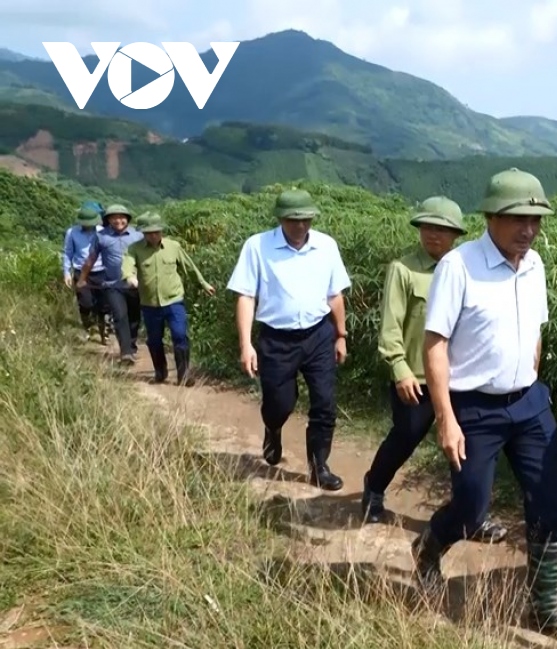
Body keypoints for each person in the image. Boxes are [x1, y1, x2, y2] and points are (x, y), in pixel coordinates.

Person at [410, 168, 557, 644]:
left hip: (529, 403)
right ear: (490, 216)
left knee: (549, 504)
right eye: (517, 219)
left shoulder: (535, 265)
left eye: (535, 220)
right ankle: (428, 548)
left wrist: (530, 378)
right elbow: (434, 345)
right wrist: (446, 418)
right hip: (474, 407)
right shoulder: (459, 266)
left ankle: (544, 609)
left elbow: (535, 334)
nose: (528, 230)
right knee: (471, 509)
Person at [361, 196, 509, 542]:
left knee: (468, 452)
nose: (433, 235)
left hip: (463, 382)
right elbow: (390, 326)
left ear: (456, 234)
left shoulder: (470, 272)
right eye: (427, 227)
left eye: (442, 229)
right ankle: (374, 486)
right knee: (405, 438)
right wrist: (399, 367)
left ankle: (471, 517)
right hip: (417, 379)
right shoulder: (404, 270)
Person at [226, 189, 352, 491]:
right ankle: (273, 427)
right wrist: (246, 344)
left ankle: (318, 466)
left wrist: (341, 335)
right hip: (276, 339)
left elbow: (335, 294)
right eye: (293, 220)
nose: (300, 225)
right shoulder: (258, 246)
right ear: (281, 218)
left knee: (325, 402)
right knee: (279, 402)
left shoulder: (326, 246)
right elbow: (246, 295)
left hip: (318, 334)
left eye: (306, 219)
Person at [121, 212, 215, 385]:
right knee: (154, 340)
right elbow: (128, 265)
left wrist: (204, 284)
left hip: (174, 300)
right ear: (143, 233)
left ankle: (184, 375)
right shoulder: (134, 249)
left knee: (180, 335)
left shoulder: (174, 246)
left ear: (161, 230)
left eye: (156, 231)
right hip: (150, 304)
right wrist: (130, 277)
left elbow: (190, 267)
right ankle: (160, 371)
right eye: (149, 233)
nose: (154, 235)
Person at [77, 204, 143, 364]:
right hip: (113, 285)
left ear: (127, 219)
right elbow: (91, 259)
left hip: (135, 285)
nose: (118, 221)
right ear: (108, 220)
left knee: (134, 318)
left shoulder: (138, 236)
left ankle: (131, 344)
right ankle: (126, 352)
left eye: (121, 217)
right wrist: (82, 278)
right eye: (114, 218)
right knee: (120, 316)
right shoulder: (102, 237)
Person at [61, 206, 108, 343]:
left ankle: (102, 330)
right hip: (81, 272)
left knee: (103, 304)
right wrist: (66, 273)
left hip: (101, 271)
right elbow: (68, 252)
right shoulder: (72, 232)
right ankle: (89, 326)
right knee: (85, 302)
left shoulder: (103, 232)